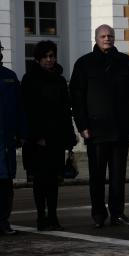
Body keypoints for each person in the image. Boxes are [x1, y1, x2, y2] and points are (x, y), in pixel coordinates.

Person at [70, 24, 129, 228]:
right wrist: (82, 125)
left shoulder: (125, 61)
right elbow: (77, 97)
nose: (107, 38)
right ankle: (99, 215)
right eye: (103, 36)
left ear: (114, 38)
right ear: (96, 38)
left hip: (120, 129)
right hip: (95, 130)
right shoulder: (84, 63)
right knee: (97, 177)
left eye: (110, 36)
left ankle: (117, 213)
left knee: (118, 177)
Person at [21, 40, 76, 231]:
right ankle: (41, 217)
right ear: (38, 59)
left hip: (56, 138)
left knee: (54, 180)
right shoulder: (29, 79)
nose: (49, 59)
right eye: (45, 56)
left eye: (52, 56)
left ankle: (53, 216)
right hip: (38, 140)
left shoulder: (60, 80)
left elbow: (65, 111)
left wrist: (70, 138)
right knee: (40, 181)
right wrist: (36, 136)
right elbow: (28, 110)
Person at [0, 41, 26, 235]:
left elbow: (20, 109)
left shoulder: (10, 77)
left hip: (7, 140)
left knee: (6, 185)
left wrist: (22, 133)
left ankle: (3, 221)